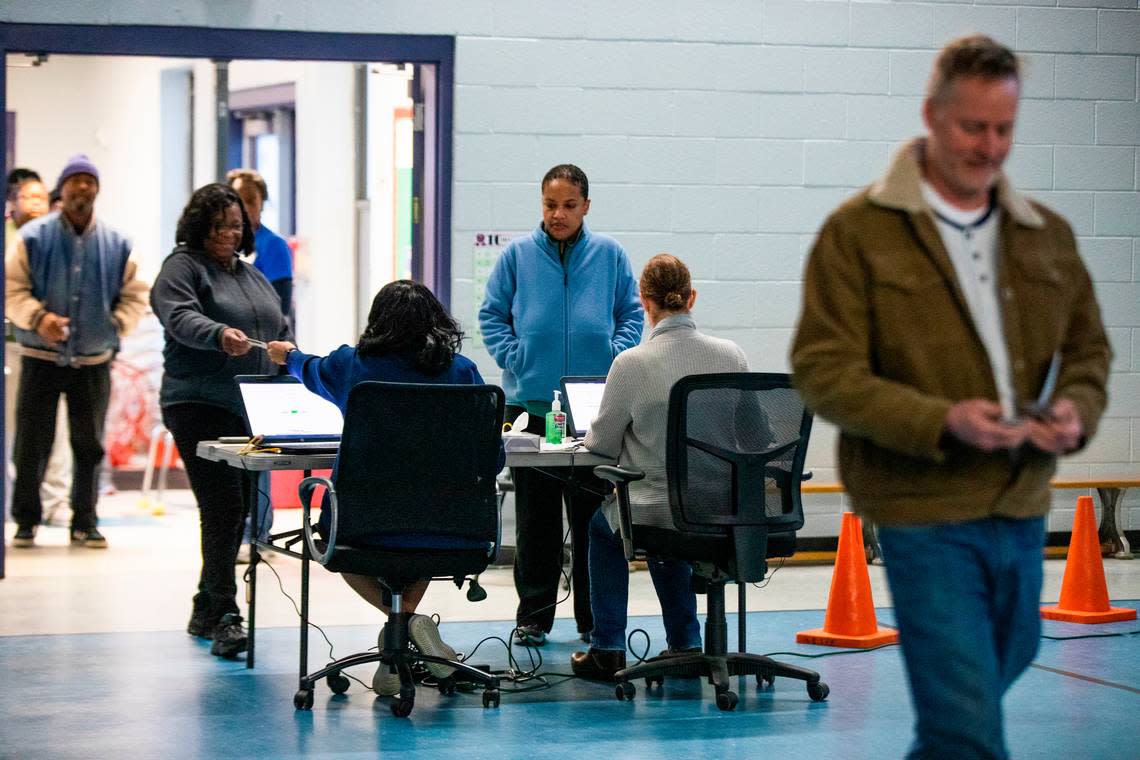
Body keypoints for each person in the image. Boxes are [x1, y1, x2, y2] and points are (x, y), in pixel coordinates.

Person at [791, 35, 1111, 759]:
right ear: (932, 116)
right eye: (973, 127)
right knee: (966, 722)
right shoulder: (860, 235)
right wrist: (942, 421)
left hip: (1022, 503)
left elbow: (1089, 350)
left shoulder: (1045, 237)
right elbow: (822, 369)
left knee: (982, 685)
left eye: (1004, 129)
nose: (990, 146)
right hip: (922, 510)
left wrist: (1076, 410)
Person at [266, 279, 501, 695]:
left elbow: (309, 368)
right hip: (449, 524)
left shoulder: (351, 366)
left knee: (340, 549)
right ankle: (408, 636)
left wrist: (288, 357)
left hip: (363, 524)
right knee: (422, 536)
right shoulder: (463, 372)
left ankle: (405, 626)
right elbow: (492, 457)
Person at [479, 163, 643, 646]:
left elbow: (630, 313)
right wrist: (516, 356)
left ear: (586, 206)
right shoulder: (517, 256)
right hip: (529, 405)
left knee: (594, 518)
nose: (559, 214)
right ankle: (534, 616)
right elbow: (491, 314)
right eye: (551, 204)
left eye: (569, 205)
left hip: (596, 406)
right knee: (536, 519)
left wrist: (615, 358)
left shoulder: (610, 255)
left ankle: (593, 620)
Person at [569, 253, 750, 680]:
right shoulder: (732, 355)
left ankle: (607, 648)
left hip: (658, 509)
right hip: (726, 509)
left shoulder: (631, 364)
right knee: (672, 535)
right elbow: (756, 436)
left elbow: (602, 444)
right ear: (692, 298)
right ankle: (685, 643)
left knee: (606, 526)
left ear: (643, 302)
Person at [151, 182, 292, 659]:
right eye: (219, 226)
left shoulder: (252, 277)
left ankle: (204, 607)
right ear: (199, 228)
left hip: (249, 406)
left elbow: (279, 327)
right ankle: (227, 615)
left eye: (236, 226)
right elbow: (179, 317)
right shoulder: (182, 268)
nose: (229, 234)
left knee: (236, 506)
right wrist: (217, 335)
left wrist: (292, 360)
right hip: (197, 403)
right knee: (223, 506)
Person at [5, 154, 149, 548]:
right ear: (62, 189)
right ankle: (26, 520)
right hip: (40, 356)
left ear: (97, 189)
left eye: (89, 181)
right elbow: (11, 289)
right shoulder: (33, 238)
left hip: (93, 359)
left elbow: (136, 295)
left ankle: (85, 521)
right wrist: (37, 318)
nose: (82, 188)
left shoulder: (118, 243)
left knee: (89, 445)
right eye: (75, 181)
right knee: (32, 443)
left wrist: (114, 325)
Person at [226, 168, 294, 559]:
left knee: (261, 446)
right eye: (238, 200)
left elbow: (278, 309)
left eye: (251, 201)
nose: (244, 209)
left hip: (263, 358)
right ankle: (235, 529)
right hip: (229, 362)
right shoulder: (225, 247)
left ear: (261, 204)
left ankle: (260, 531)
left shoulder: (274, 247)